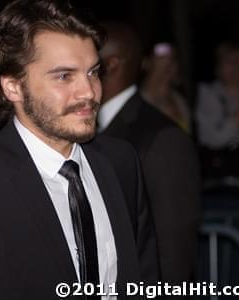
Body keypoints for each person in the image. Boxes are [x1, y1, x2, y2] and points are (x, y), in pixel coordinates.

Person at [0, 1, 159, 299]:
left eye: (93, 72)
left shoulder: (121, 163)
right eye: (64, 76)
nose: (89, 91)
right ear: (13, 87)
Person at [98, 22, 200, 284]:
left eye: (87, 62)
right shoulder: (90, 128)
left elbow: (173, 258)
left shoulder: (163, 138)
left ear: (110, 65)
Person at [141, 42, 192, 133]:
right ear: (146, 63)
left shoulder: (180, 100)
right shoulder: (138, 103)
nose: (168, 61)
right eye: (161, 56)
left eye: (173, 58)